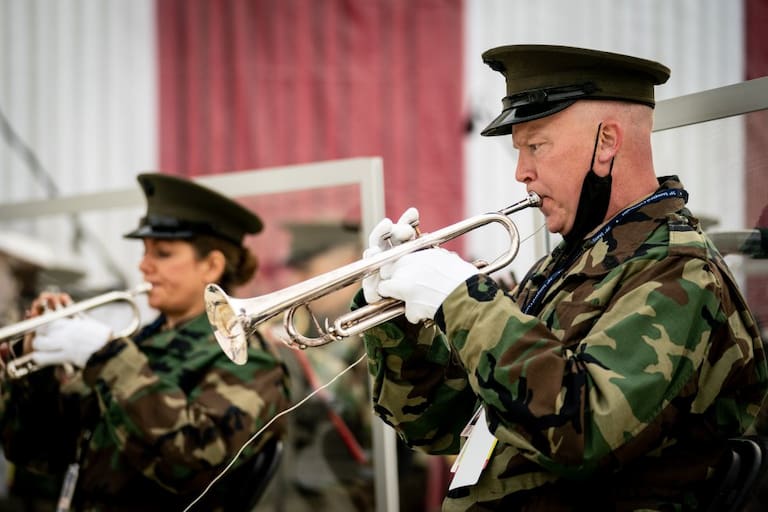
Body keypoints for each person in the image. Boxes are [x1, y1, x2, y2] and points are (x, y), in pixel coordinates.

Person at [354, 44, 768, 510]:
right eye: (520, 151)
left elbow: (585, 432)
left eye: (536, 146)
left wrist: (463, 301)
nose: (521, 172)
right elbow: (440, 422)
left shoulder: (680, 270)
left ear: (606, 142)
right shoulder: (566, 266)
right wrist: (396, 318)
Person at [0, 173, 290, 512]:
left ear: (211, 266)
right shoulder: (138, 345)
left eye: (162, 253)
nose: (143, 265)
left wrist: (108, 357)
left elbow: (193, 462)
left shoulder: (248, 359)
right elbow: (37, 453)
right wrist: (36, 368)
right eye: (144, 252)